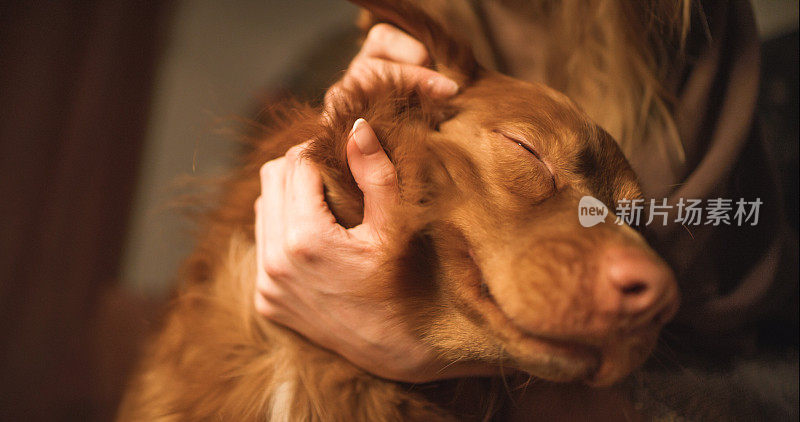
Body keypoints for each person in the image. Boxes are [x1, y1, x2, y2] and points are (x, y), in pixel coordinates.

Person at [253, 0, 794, 383]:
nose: (648, 274)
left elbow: (739, 344)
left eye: (633, 223)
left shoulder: (693, 25)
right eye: (531, 157)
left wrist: (414, 343)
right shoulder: (383, 50)